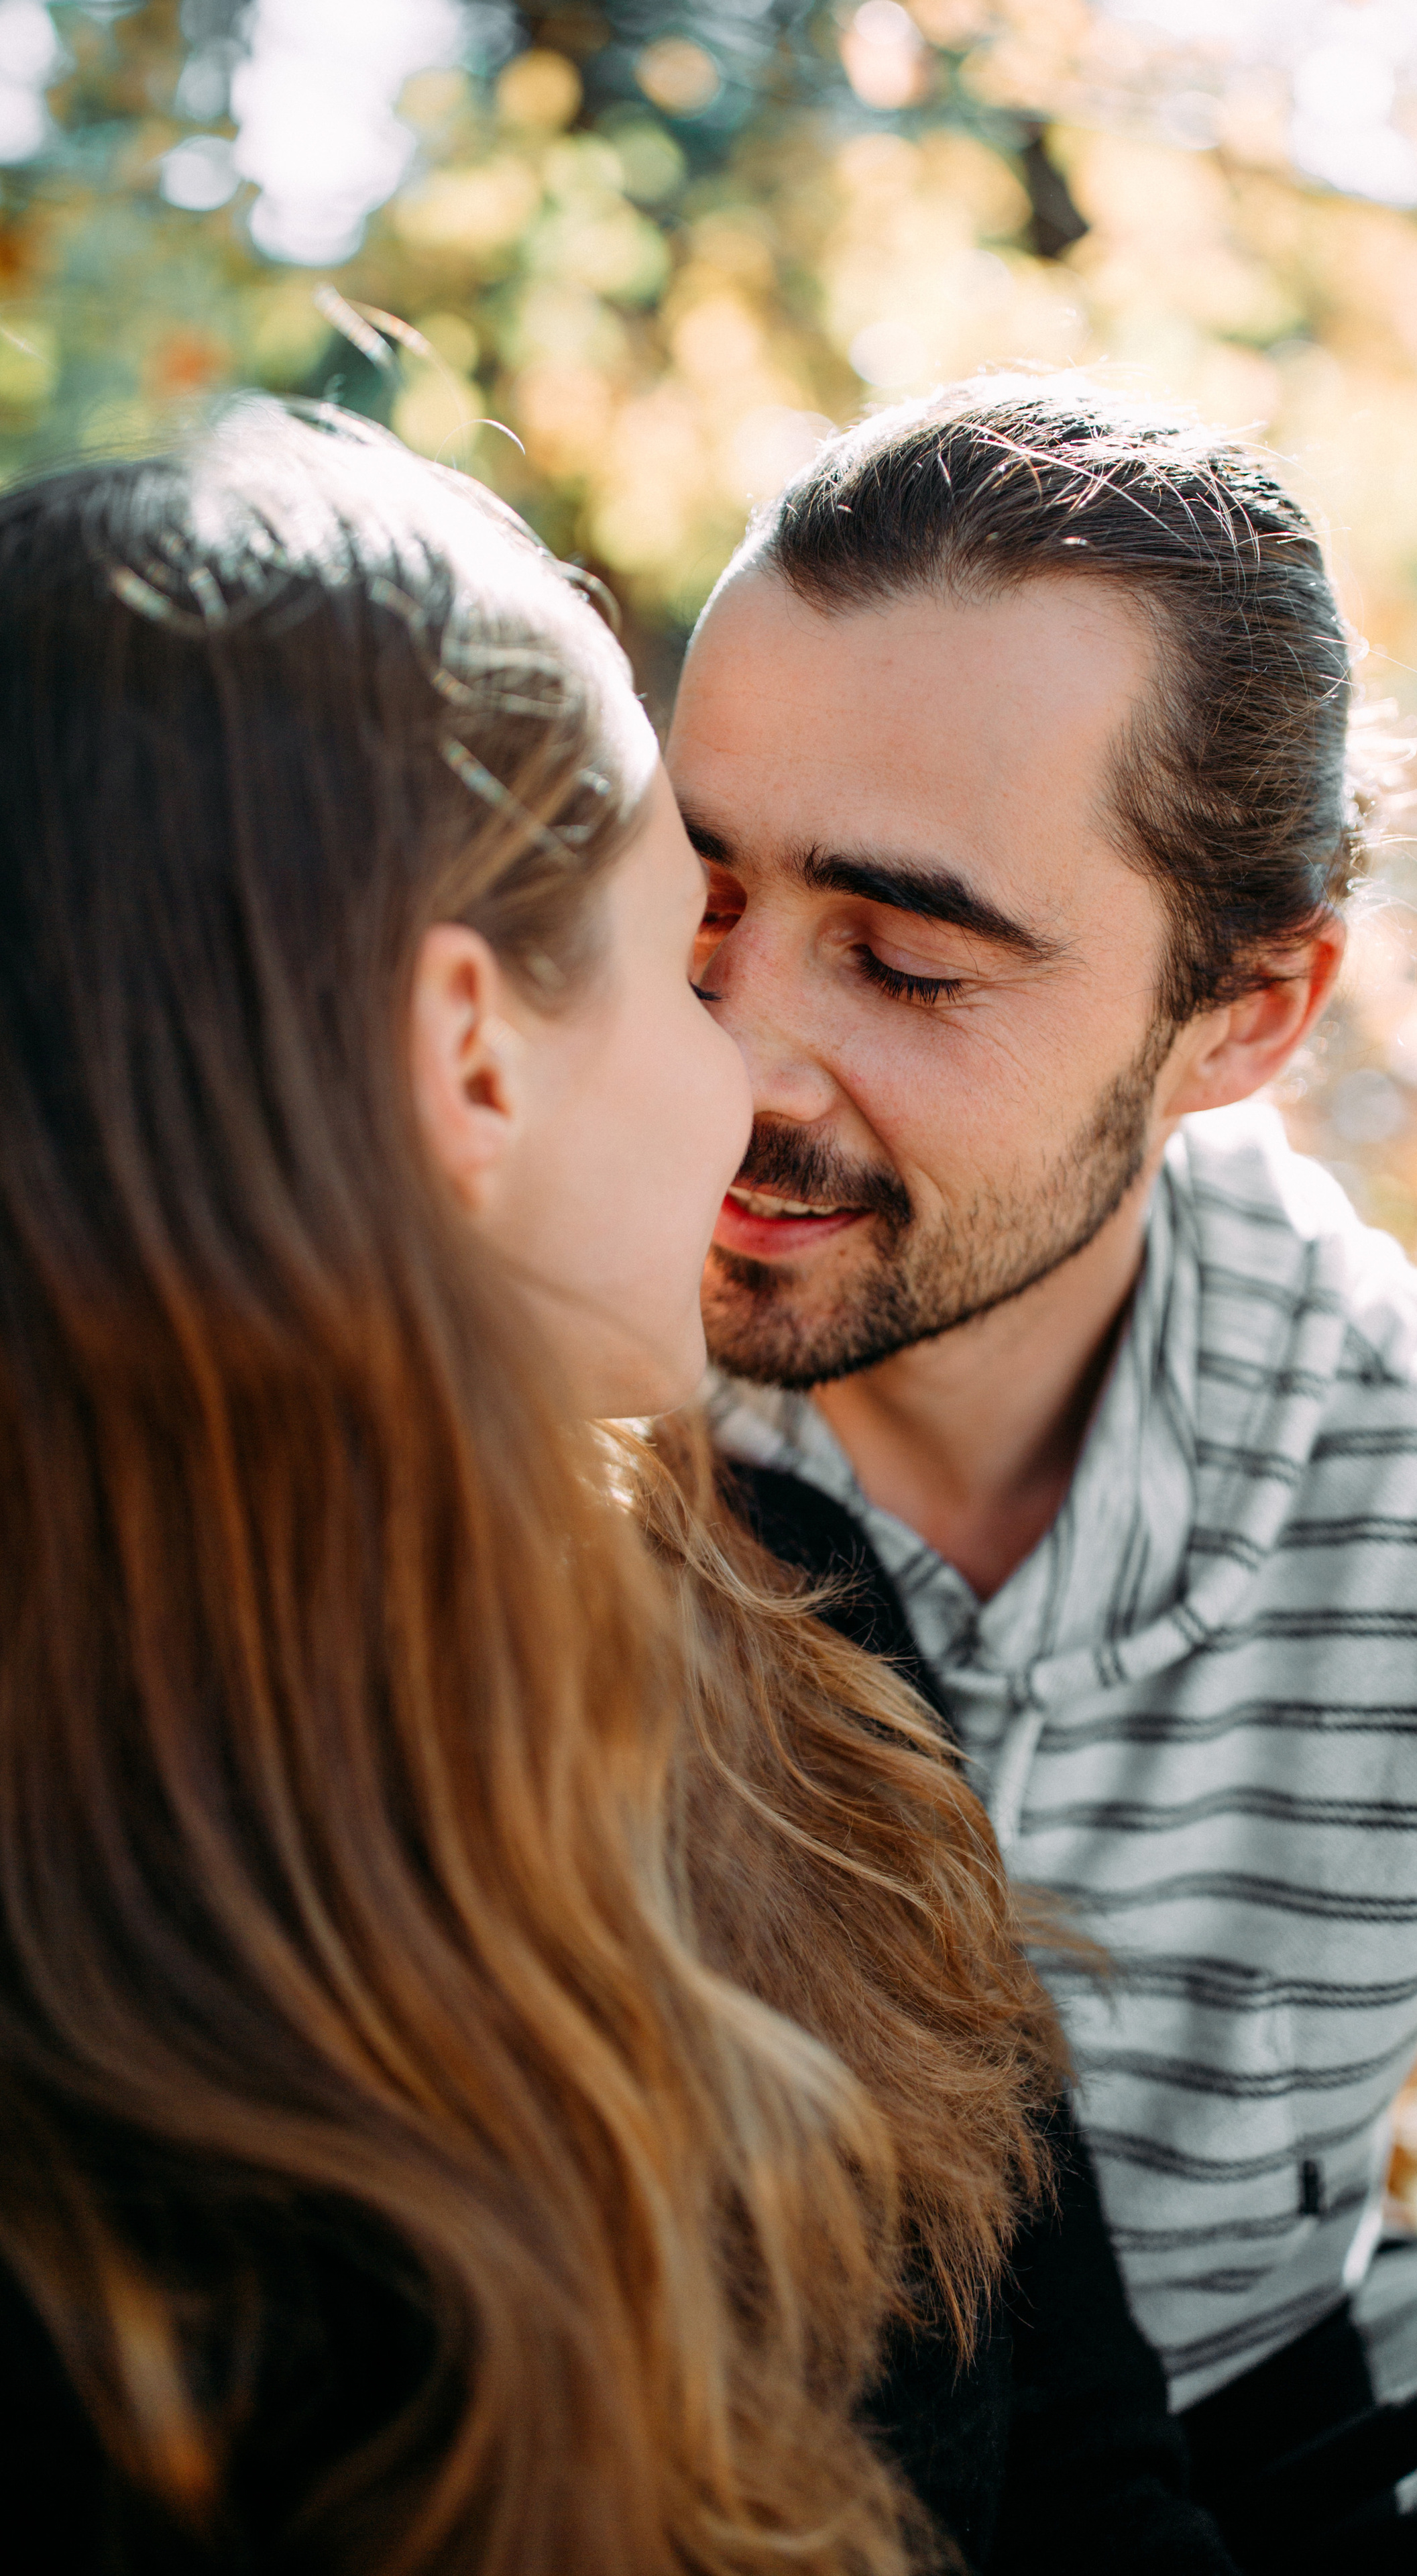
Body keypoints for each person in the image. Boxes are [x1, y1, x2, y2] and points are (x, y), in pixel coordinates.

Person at [0, 398, 1235, 2576]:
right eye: (683, 951)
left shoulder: (799, 1632)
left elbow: (1096, 2484)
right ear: (469, 1059)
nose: (750, 1082)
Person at [670, 372, 1417, 2574]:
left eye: (909, 960)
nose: (731, 1051)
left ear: (1247, 1016)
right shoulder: (490, 1370)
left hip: (1246, 2426)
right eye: (693, 888)